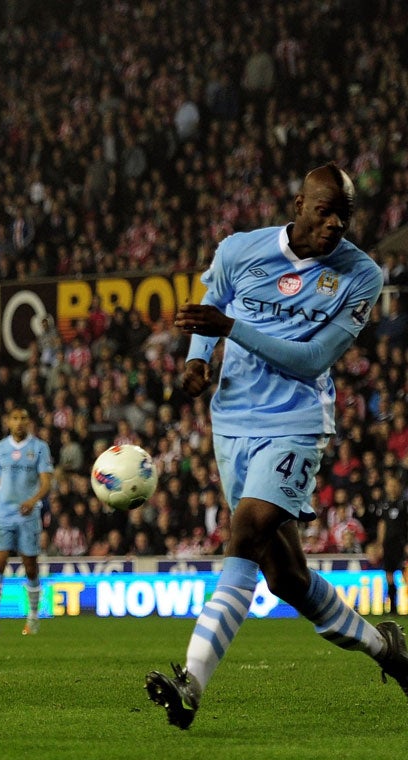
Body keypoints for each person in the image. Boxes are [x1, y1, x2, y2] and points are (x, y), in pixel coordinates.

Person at [145, 163, 408, 729]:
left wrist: (230, 329)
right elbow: (207, 308)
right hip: (231, 422)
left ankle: (191, 682)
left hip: (294, 421)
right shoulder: (240, 251)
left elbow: (313, 360)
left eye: (346, 215)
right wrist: (196, 362)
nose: (335, 224)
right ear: (298, 205)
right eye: (324, 211)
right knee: (285, 575)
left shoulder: (361, 275)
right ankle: (389, 649)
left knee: (247, 527)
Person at [0, 406, 52, 635]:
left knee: (30, 566)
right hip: (2, 513)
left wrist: (33, 500)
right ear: (8, 422)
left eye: (23, 418)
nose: (19, 423)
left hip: (28, 514)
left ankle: (33, 617)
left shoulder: (39, 448)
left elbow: (46, 482)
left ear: (29, 422)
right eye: (15, 418)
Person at [377, 472, 408, 614]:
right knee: (388, 575)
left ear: (399, 487)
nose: (392, 488)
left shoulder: (404, 504)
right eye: (390, 485)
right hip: (388, 545)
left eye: (395, 485)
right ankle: (393, 608)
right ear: (386, 487)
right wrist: (380, 543)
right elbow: (382, 524)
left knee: (405, 574)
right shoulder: (384, 504)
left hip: (402, 544)